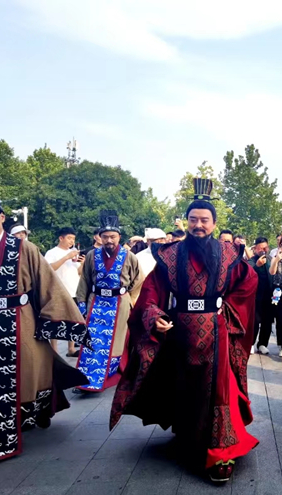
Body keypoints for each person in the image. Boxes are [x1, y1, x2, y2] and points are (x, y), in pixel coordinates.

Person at [111, 178, 259, 483]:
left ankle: (220, 451)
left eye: (204, 220)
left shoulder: (229, 253)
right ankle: (188, 435)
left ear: (214, 223)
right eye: (193, 220)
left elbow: (250, 281)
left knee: (217, 390)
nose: (198, 225)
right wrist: (154, 315)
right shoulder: (169, 254)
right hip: (179, 329)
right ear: (186, 222)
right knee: (183, 385)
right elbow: (151, 290)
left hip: (215, 330)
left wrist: (229, 308)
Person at [0, 174, 89, 476]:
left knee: (32, 373)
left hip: (21, 321)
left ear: (1, 217)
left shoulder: (25, 249)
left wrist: (53, 321)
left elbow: (47, 285)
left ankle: (37, 411)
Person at [75, 211, 143, 393]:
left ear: (119, 237)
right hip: (96, 303)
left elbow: (138, 281)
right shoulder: (92, 255)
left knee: (116, 342)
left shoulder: (129, 256)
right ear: (100, 238)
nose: (109, 240)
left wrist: (130, 300)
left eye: (113, 236)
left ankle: (110, 375)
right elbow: (85, 281)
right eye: (105, 237)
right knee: (92, 342)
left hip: (119, 303)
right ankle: (87, 378)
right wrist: (81, 303)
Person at [44, 227, 85, 357]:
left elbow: (78, 273)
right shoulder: (52, 252)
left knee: (73, 319)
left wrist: (82, 264)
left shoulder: (73, 253)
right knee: (55, 320)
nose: (71, 241)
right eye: (69, 238)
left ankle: (71, 348)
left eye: (73, 239)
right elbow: (48, 269)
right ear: (61, 238)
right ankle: (54, 350)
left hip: (73, 291)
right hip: (58, 291)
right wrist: (66, 257)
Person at [250, 237, 273, 355]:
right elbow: (247, 275)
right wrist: (257, 266)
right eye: (260, 248)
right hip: (255, 296)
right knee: (254, 321)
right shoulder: (251, 261)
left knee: (267, 321)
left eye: (265, 248)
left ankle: (263, 344)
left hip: (269, 295)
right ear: (255, 249)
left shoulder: (270, 260)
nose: (263, 250)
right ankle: (251, 343)